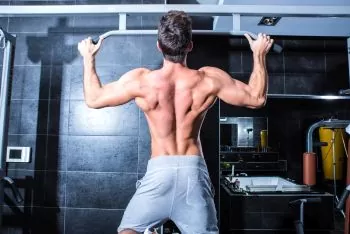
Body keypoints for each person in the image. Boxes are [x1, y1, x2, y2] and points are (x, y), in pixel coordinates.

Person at [78, 10, 273, 234]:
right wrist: (259, 54)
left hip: (159, 172)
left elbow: (93, 99)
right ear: (190, 45)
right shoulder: (207, 79)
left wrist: (88, 57)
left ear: (159, 46)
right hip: (193, 173)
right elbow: (256, 98)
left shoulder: (142, 81)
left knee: (128, 231)